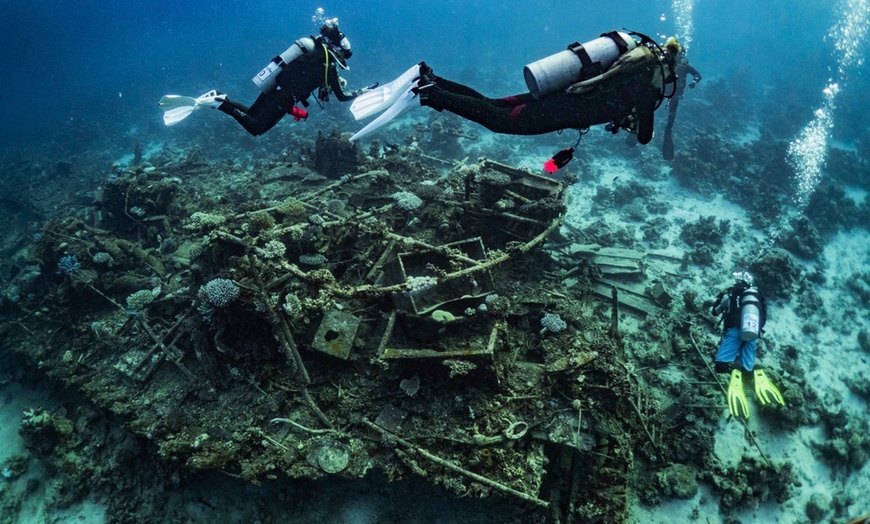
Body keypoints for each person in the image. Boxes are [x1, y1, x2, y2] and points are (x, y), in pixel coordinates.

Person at [349, 31, 679, 148]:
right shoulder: (647, 85)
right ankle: (427, 93)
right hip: (564, 107)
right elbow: (645, 137)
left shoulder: (629, 59)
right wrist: (638, 114)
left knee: (493, 104)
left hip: (562, 92)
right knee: (499, 121)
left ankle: (429, 77)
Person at [159, 18, 365, 135]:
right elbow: (342, 97)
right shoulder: (329, 67)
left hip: (275, 88)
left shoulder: (315, 55)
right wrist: (363, 92)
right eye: (344, 56)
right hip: (283, 97)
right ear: (338, 50)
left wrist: (299, 112)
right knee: (256, 127)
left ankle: (220, 96)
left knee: (251, 112)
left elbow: (305, 83)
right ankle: (218, 102)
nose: (343, 60)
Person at [710, 273, 784, 419]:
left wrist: (719, 297)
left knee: (720, 365)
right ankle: (752, 373)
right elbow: (763, 318)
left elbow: (714, 312)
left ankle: (732, 375)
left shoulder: (730, 297)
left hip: (734, 332)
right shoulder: (756, 299)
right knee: (747, 367)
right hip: (753, 333)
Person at [661, 45, 702, 160]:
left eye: (681, 54)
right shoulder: (667, 64)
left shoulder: (685, 67)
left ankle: (668, 130)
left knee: (671, 115)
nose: (679, 56)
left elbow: (698, 75)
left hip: (675, 94)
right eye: (678, 54)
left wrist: (693, 82)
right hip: (664, 91)